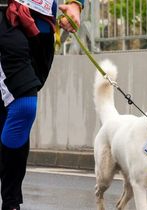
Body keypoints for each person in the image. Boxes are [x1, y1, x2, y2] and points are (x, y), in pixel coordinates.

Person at [0, 0, 84, 209]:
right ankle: (11, 202)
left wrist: (75, 4)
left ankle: (10, 199)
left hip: (43, 25)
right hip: (7, 15)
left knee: (12, 112)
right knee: (24, 105)